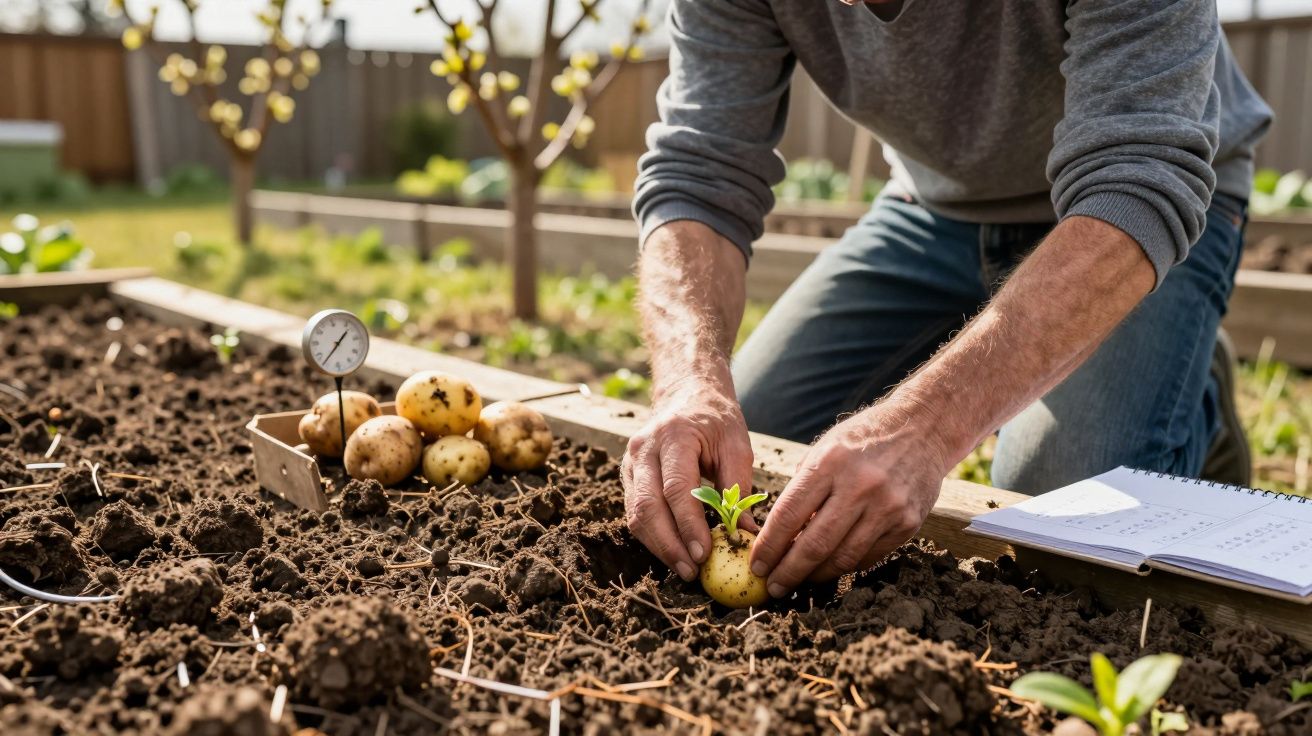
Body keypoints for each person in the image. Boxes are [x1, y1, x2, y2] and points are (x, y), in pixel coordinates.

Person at [623, 0, 1272, 599]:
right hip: (932, 211)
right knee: (751, 447)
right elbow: (697, 174)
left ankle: (1189, 385)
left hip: (1136, 211)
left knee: (1053, 510)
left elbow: (1138, 180)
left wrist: (924, 428)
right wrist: (689, 382)